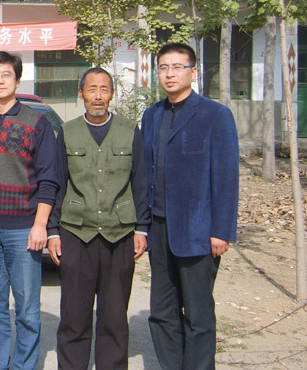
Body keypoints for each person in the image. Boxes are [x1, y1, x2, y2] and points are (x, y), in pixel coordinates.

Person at [142, 42, 239, 370]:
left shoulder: (215, 115)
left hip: (198, 230)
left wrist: (221, 231)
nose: (169, 74)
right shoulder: (152, 115)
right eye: (163, 68)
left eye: (177, 67)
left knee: (198, 314)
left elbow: (226, 177)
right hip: (159, 228)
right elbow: (145, 172)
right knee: (161, 312)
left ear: (193, 72)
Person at [46, 67, 150, 370]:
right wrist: (53, 231)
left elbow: (141, 182)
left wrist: (142, 229)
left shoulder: (130, 131)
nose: (98, 96)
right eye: (91, 89)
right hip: (76, 234)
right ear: (81, 93)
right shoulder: (67, 132)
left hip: (119, 234)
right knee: (74, 317)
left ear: (112, 94)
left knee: (114, 317)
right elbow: (57, 182)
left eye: (104, 89)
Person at [0, 51, 59, 370]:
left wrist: (40, 225)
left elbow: (49, 179)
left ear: (17, 80)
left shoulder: (37, 123)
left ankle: (23, 365)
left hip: (24, 229)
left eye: (6, 74)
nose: (0, 81)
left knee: (27, 309)